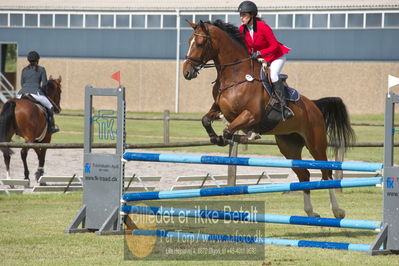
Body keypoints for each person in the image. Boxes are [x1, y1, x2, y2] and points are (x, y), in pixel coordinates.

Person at [238, 1, 294, 120]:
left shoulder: (263, 27)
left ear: (252, 15)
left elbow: (274, 46)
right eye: (240, 15)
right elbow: (245, 47)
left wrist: (259, 53)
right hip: (261, 58)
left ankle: (284, 107)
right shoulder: (242, 29)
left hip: (276, 56)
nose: (241, 18)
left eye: (244, 15)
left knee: (273, 75)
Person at [17, 51, 59, 133]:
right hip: (36, 93)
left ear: (28, 60)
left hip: (21, 93)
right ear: (38, 60)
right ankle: (51, 127)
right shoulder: (41, 69)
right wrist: (44, 92)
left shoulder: (24, 70)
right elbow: (44, 84)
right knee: (50, 107)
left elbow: (22, 83)